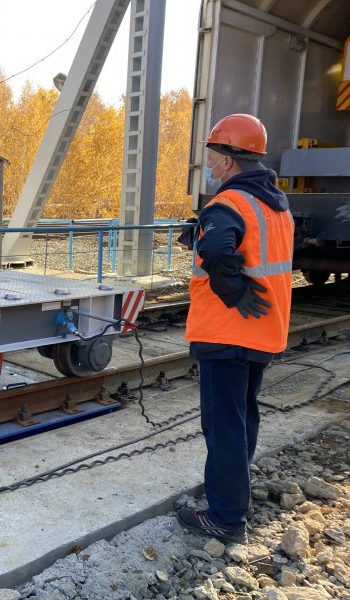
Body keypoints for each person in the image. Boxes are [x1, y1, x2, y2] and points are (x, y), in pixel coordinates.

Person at [177, 114, 295, 544]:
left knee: (223, 424)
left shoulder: (228, 203)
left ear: (228, 159)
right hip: (262, 330)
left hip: (226, 331)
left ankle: (226, 518)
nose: (208, 161)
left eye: (212, 152)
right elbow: (241, 245)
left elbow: (216, 249)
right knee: (243, 417)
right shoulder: (273, 202)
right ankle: (234, 494)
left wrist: (231, 290)